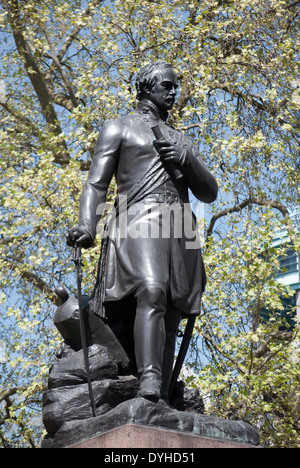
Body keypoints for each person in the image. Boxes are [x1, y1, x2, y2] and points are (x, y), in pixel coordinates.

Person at [67, 61, 218, 402]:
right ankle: (148, 379)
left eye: (175, 85)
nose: (173, 91)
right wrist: (87, 225)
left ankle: (161, 393)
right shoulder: (119, 127)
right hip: (138, 218)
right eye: (167, 85)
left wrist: (186, 159)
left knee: (174, 307)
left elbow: (209, 192)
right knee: (151, 289)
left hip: (180, 225)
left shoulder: (180, 139)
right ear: (147, 87)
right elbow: (95, 183)